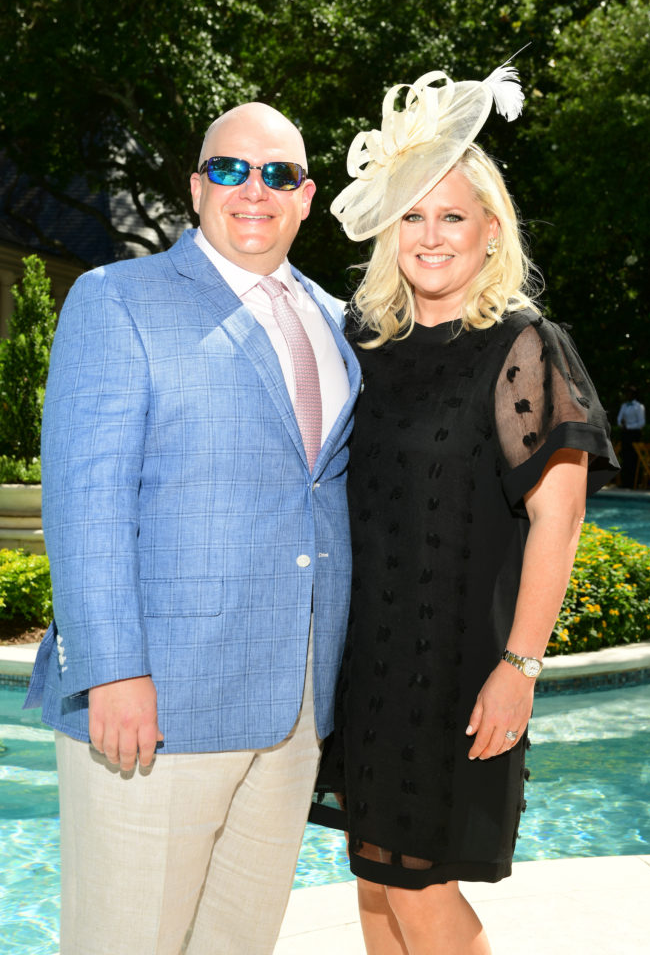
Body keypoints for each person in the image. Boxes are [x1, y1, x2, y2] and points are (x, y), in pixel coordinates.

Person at [24, 102, 361, 955]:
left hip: (294, 709)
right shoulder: (116, 300)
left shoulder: (337, 319)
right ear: (194, 185)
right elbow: (84, 498)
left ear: (307, 196)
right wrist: (113, 670)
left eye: (278, 174)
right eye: (230, 169)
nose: (254, 189)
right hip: (155, 707)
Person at [310, 65, 618, 954]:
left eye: (453, 215)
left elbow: (557, 520)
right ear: (386, 230)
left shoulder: (522, 344)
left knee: (418, 886)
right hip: (363, 661)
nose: (431, 234)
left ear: (491, 230)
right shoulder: (365, 342)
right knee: (373, 878)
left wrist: (519, 666)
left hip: (454, 665)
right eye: (412, 213)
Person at [617, 385, 646, 488]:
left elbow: (641, 423)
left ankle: (634, 482)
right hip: (625, 434)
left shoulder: (639, 407)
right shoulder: (624, 406)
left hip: (634, 434)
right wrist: (621, 424)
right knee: (624, 457)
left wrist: (628, 426)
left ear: (634, 395)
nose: (627, 395)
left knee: (633, 458)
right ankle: (625, 482)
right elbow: (619, 419)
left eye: (629, 393)